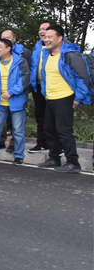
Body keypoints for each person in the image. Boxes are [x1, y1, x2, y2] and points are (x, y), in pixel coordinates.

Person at [36, 24, 92, 173]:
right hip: (50, 98)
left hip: (65, 97)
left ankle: (73, 162)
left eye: (50, 37)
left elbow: (83, 77)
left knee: (64, 131)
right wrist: (45, 93)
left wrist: (78, 98)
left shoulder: (71, 55)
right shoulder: (47, 54)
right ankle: (54, 158)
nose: (46, 40)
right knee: (49, 129)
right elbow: (44, 75)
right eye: (45, 37)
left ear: (60, 38)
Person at [27, 20, 55, 153]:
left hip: (53, 87)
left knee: (53, 117)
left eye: (45, 29)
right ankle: (42, 143)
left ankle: (57, 146)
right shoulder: (37, 47)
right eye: (40, 29)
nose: (41, 31)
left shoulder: (62, 46)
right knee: (40, 116)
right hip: (38, 87)